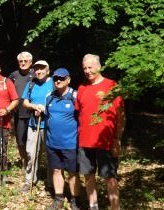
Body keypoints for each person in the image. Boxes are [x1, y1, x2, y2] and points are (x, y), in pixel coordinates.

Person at [76, 54, 125, 210]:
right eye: (85, 68)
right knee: (88, 175)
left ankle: (115, 207)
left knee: (110, 177)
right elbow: (79, 113)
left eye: (90, 67)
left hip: (106, 140)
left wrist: (117, 138)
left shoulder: (111, 86)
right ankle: (93, 206)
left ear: (99, 66)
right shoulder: (82, 88)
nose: (87, 71)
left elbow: (121, 115)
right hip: (85, 140)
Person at [45, 68, 80, 210]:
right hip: (52, 143)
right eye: (55, 78)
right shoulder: (50, 97)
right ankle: (58, 198)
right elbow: (47, 117)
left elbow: (82, 118)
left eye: (61, 78)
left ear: (68, 80)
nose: (58, 81)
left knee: (73, 172)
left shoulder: (75, 96)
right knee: (56, 170)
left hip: (70, 143)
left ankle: (75, 200)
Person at [20, 60, 54, 193]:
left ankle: (51, 183)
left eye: (42, 69)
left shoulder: (54, 83)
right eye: (37, 69)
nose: (39, 71)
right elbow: (25, 102)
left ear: (47, 70)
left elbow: (59, 101)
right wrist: (34, 106)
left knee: (50, 154)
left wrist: (45, 108)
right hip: (33, 124)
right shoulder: (31, 84)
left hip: (50, 125)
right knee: (31, 153)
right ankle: (29, 181)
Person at [8, 51, 35, 169]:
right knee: (20, 140)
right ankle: (24, 161)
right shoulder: (13, 75)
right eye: (21, 61)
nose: (23, 63)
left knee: (32, 140)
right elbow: (6, 91)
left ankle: (32, 163)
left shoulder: (35, 74)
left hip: (33, 113)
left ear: (31, 62)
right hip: (18, 113)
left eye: (25, 61)